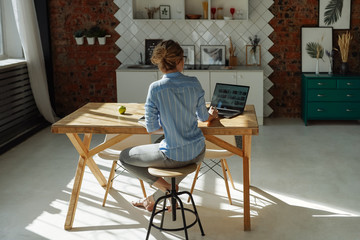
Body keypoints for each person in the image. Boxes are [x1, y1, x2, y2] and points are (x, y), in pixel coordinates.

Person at [120, 40, 218, 212]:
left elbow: (151, 127)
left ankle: (167, 190)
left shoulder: (156, 88)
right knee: (162, 142)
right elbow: (203, 117)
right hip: (198, 151)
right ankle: (153, 199)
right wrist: (212, 115)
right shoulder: (194, 82)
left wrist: (170, 125)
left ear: (161, 65)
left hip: (174, 156)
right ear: (181, 61)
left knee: (124, 156)